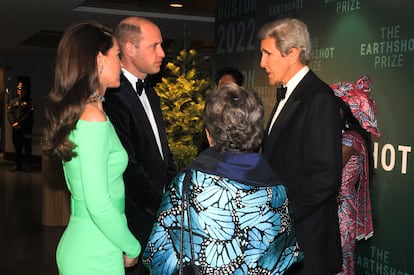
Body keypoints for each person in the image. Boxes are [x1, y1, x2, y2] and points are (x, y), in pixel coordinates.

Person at [143, 83, 303, 274]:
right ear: (258, 136)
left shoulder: (188, 183)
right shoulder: (278, 189)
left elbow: (157, 253)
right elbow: (287, 258)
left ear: (209, 135)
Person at [41, 21, 141, 275]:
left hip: (95, 244)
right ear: (99, 60)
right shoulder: (92, 117)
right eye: (117, 55)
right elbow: (97, 203)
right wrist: (132, 247)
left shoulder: (90, 111)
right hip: (94, 253)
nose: (121, 63)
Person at [259, 18, 343, 274]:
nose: (262, 63)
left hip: (308, 244)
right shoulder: (289, 94)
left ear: (292, 54)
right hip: (289, 242)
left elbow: (325, 177)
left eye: (267, 54)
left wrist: (279, 215)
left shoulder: (319, 99)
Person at [103, 17, 176, 274]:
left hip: (155, 220)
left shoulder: (151, 94)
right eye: (154, 46)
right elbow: (127, 166)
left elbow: (161, 154)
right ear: (130, 49)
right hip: (133, 222)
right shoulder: (112, 96)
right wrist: (164, 206)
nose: (162, 53)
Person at [330, 75, 380, 275]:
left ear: (342, 111)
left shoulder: (350, 140)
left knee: (340, 265)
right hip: (339, 211)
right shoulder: (349, 138)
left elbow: (329, 168)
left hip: (342, 214)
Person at [6, 81, 34, 172]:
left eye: (22, 89)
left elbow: (28, 114)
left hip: (25, 128)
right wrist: (13, 123)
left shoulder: (29, 102)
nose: (20, 90)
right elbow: (9, 113)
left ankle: (28, 165)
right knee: (17, 147)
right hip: (16, 129)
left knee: (27, 147)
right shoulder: (13, 101)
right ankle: (18, 164)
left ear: (25, 90)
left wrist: (19, 122)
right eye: (18, 89)